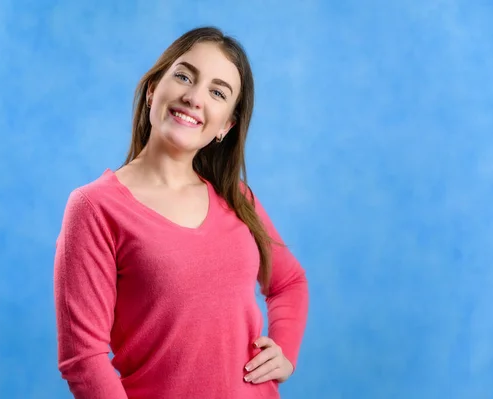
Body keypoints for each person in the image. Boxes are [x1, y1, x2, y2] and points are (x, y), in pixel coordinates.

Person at [53, 26, 309, 399]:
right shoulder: (94, 208)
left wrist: (284, 347)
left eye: (217, 92)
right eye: (184, 76)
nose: (194, 97)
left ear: (226, 125)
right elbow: (83, 359)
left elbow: (289, 283)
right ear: (153, 88)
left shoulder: (237, 198)